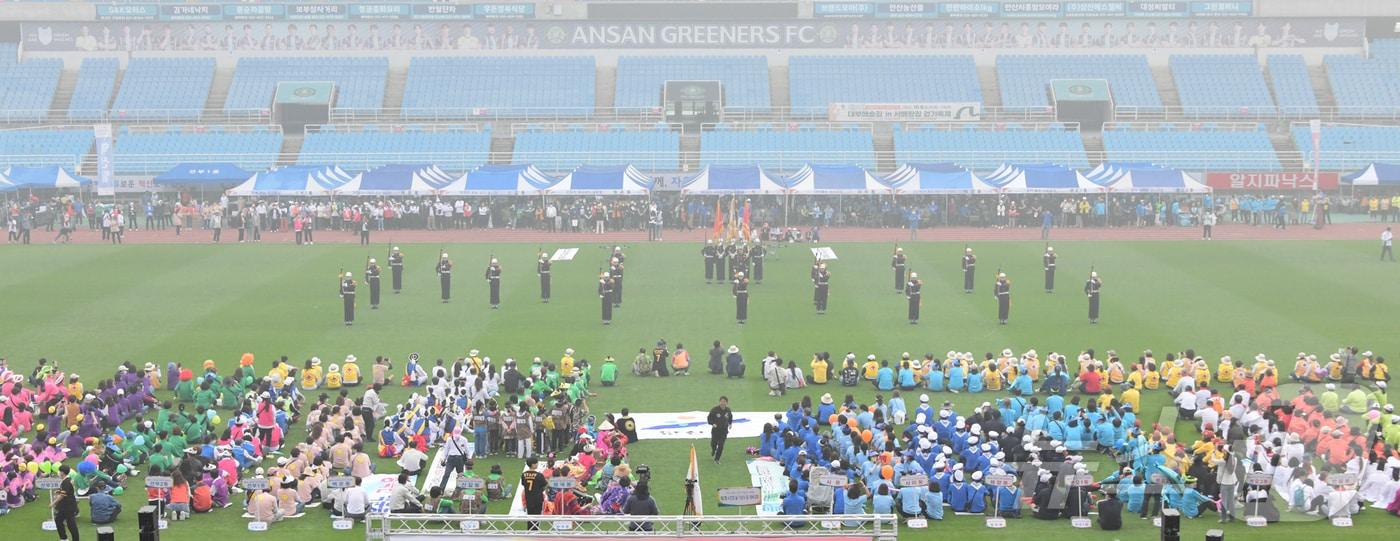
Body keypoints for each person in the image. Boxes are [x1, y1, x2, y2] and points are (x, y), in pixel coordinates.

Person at [438, 429, 472, 493]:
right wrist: (443, 459)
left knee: (460, 475)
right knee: (447, 474)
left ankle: (459, 490)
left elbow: (467, 449)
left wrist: (469, 457)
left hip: (459, 458)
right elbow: (446, 450)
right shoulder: (449, 439)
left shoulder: (464, 439)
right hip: (451, 458)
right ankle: (441, 490)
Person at [52, 464, 80, 541]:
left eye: (59, 471)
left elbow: (63, 495)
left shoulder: (66, 482)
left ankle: (66, 538)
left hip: (68, 506)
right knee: (60, 520)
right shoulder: (67, 480)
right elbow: (66, 491)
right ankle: (64, 538)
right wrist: (58, 491)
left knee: (70, 524)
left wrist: (53, 503)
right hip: (67, 506)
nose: (58, 473)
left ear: (62, 472)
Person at [707, 396, 733, 463]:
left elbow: (730, 417)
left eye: (724, 402)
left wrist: (730, 424)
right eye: (721, 401)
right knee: (713, 443)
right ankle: (713, 450)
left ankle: (717, 459)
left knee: (721, 445)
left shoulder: (728, 410)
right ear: (719, 402)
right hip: (715, 430)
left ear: (726, 403)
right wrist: (712, 424)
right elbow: (709, 418)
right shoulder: (715, 410)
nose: (723, 403)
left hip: (724, 431)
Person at [521, 457, 545, 529]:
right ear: (533, 465)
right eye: (536, 463)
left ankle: (530, 531)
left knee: (530, 516)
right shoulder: (539, 475)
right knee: (537, 517)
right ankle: (535, 532)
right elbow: (545, 484)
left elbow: (524, 484)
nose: (537, 464)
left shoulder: (523, 475)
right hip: (538, 498)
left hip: (529, 498)